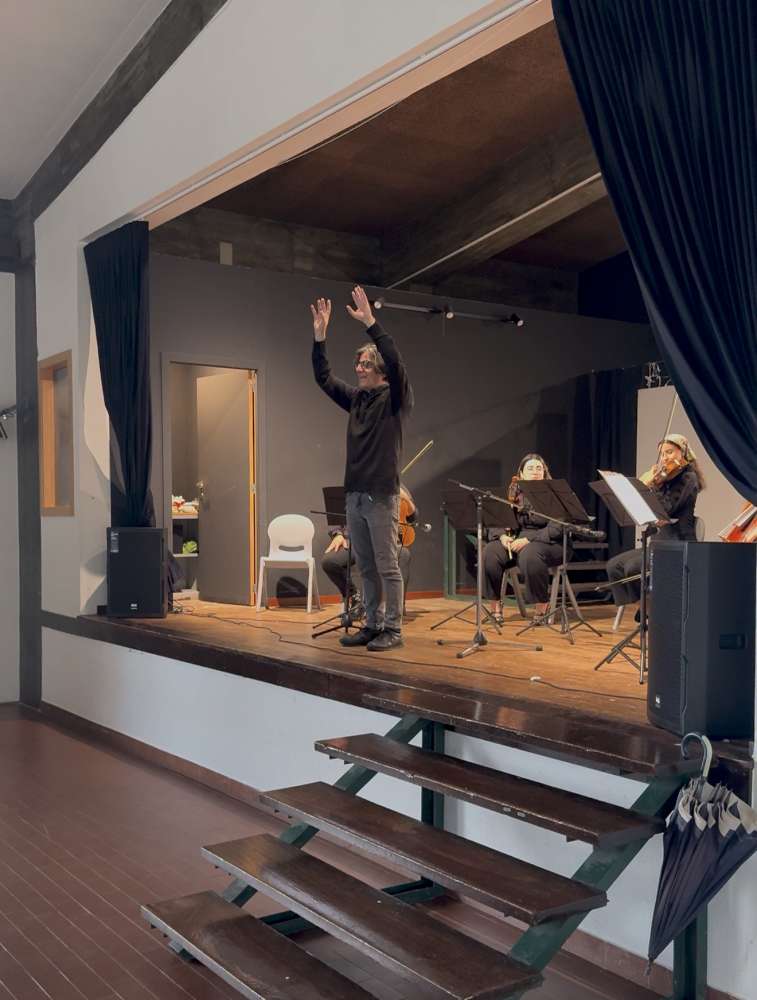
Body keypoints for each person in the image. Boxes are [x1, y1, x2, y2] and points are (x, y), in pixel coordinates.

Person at [311, 287, 413, 650]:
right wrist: (319, 338)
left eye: (366, 364)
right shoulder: (357, 399)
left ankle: (393, 630)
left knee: (388, 567)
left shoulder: (395, 398)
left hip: (381, 496)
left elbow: (396, 360)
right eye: (358, 364)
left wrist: (370, 321)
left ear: (381, 372)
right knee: (366, 567)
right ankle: (372, 624)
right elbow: (324, 378)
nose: (358, 369)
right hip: (354, 495)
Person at [606, 434, 704, 606]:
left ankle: (651, 610)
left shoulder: (688, 478)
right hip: (658, 542)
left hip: (677, 543)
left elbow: (666, 509)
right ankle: (643, 608)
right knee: (613, 566)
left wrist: (654, 485)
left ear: (683, 452)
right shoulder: (665, 478)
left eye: (669, 452)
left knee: (633, 568)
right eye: (662, 454)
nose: (665, 458)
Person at [483, 454, 564, 621]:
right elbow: (498, 520)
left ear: (544, 472)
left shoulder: (554, 494)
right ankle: (495, 607)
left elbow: (556, 528)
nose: (535, 471)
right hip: (518, 541)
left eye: (539, 468)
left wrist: (528, 540)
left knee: (530, 554)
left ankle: (542, 606)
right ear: (521, 473)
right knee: (490, 552)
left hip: (550, 542)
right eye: (530, 468)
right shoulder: (514, 494)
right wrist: (502, 536)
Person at [322, 484, 416, 609]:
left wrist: (406, 499)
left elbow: (413, 517)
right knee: (329, 562)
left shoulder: (397, 485)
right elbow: (340, 516)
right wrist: (338, 534)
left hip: (387, 542)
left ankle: (396, 607)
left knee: (403, 555)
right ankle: (354, 597)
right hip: (359, 541)